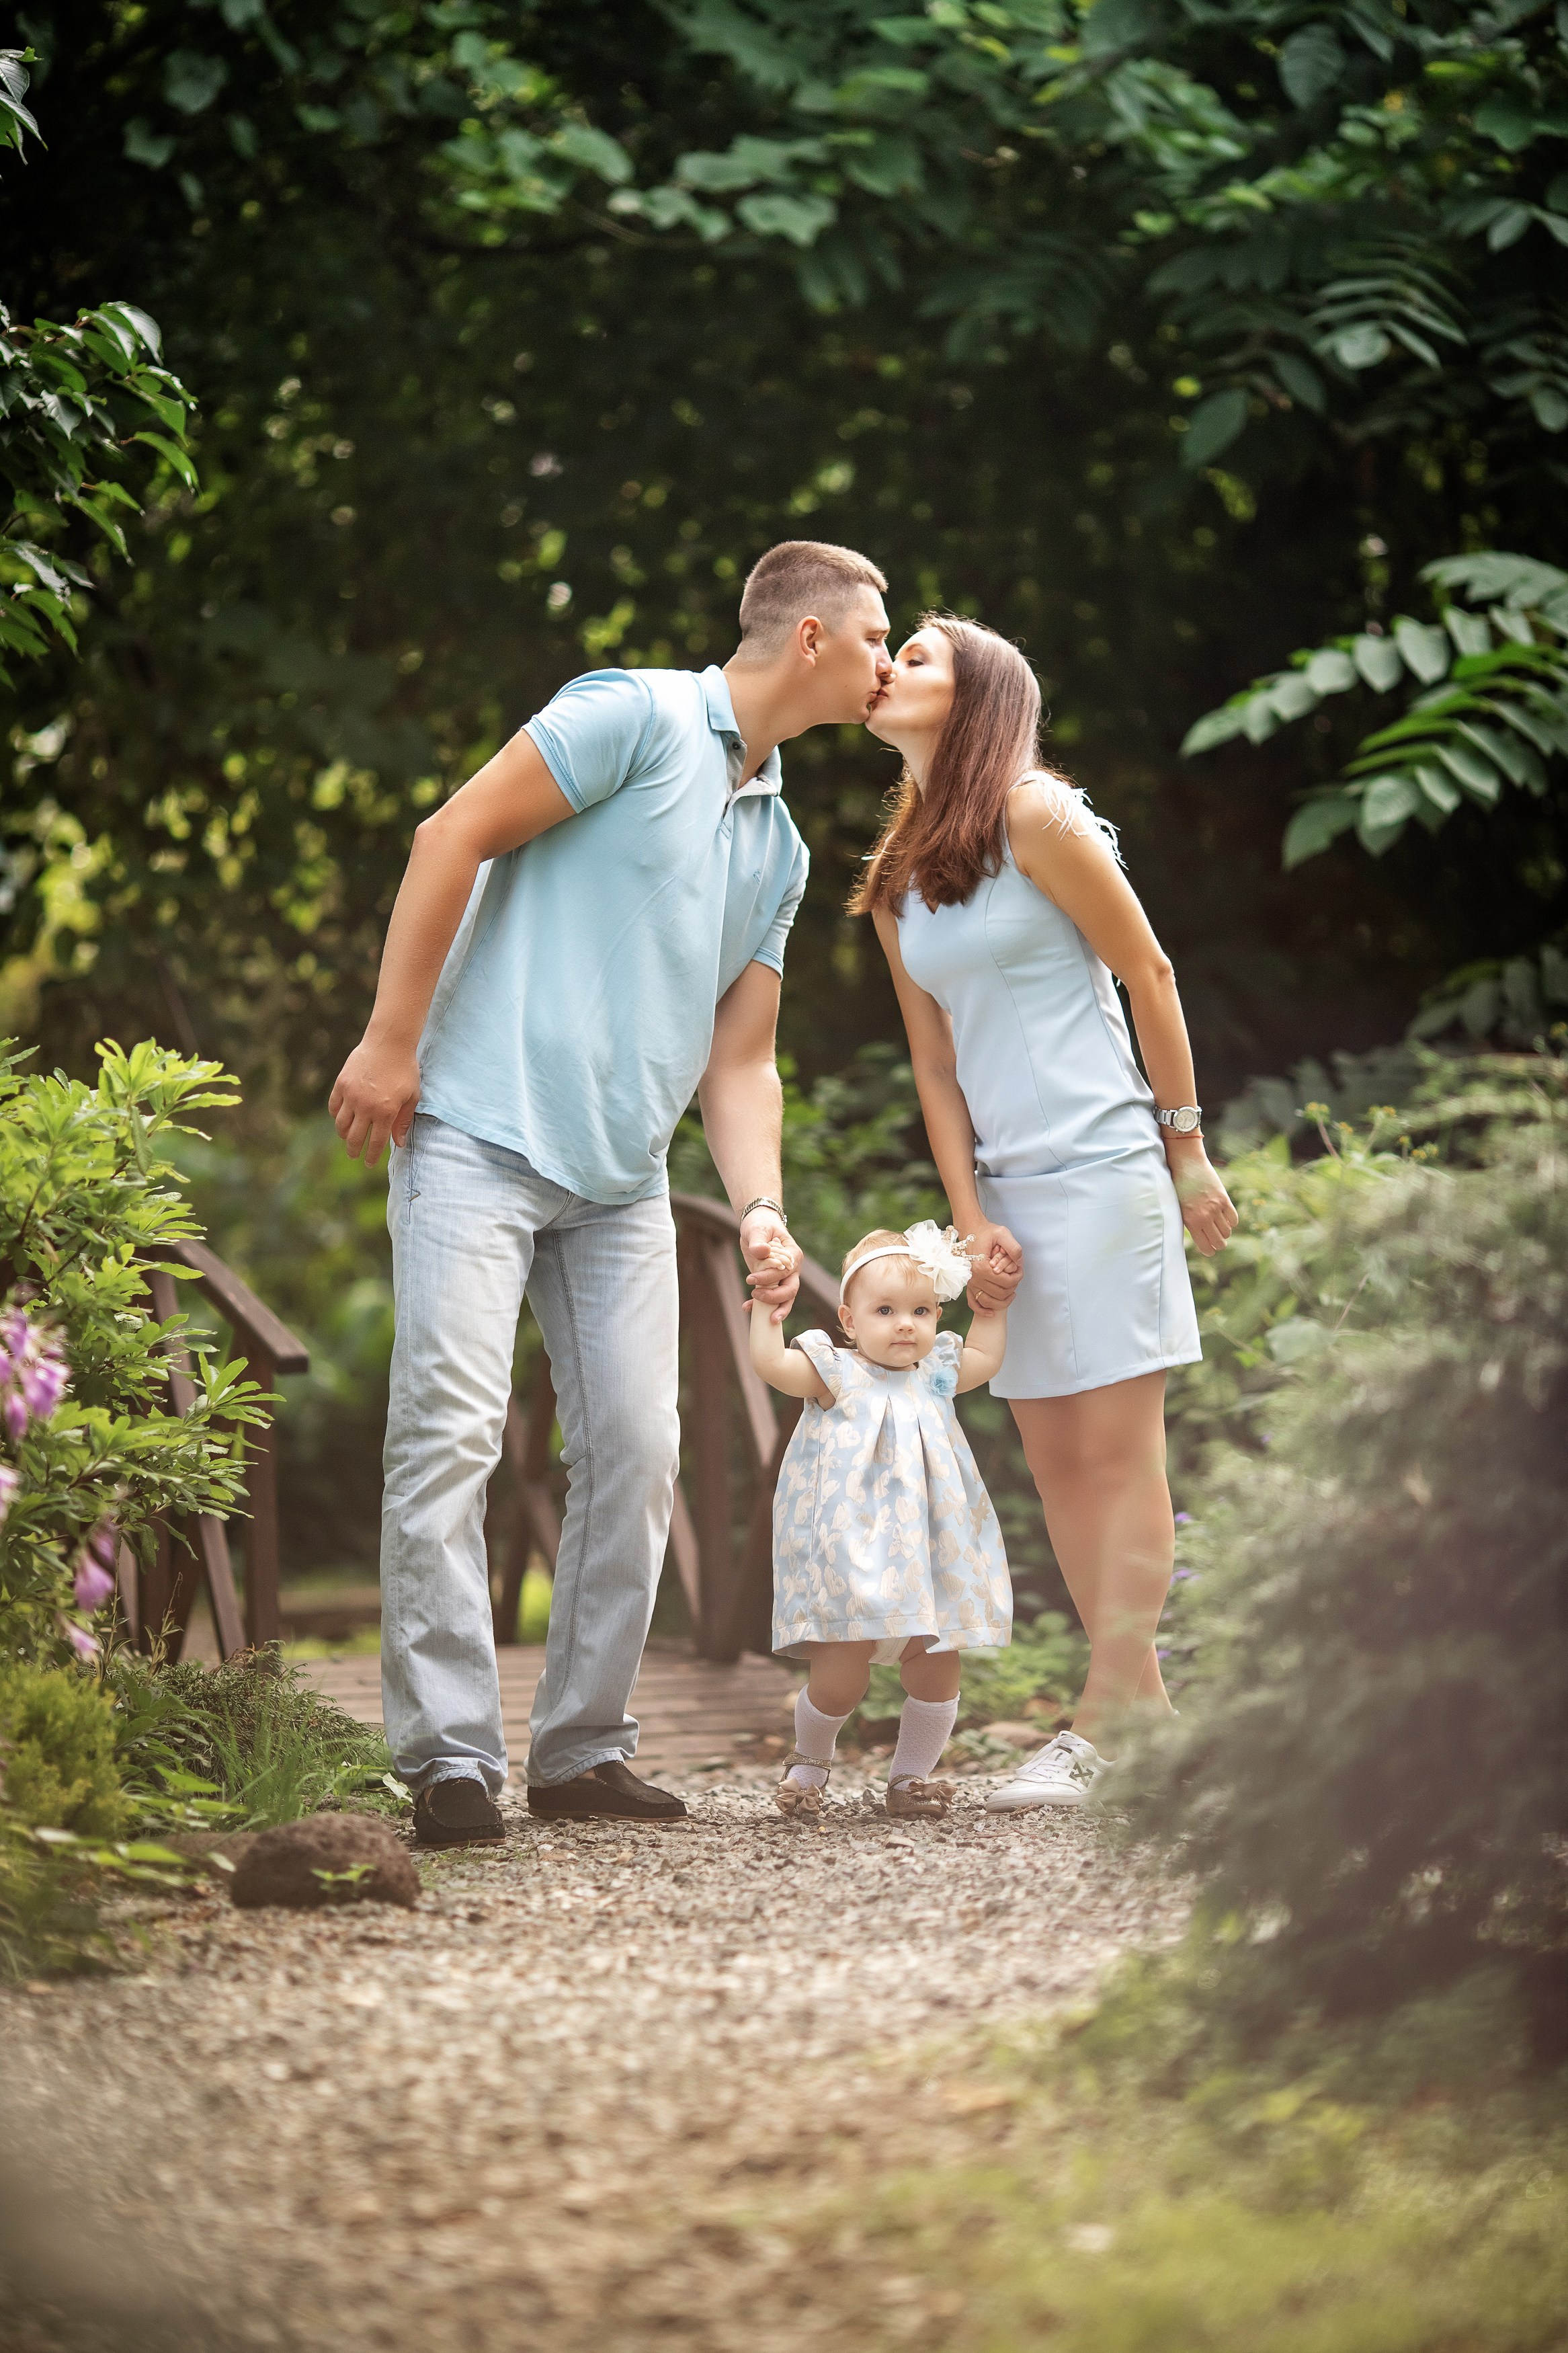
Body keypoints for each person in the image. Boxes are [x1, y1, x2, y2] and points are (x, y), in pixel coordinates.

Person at [329, 541, 894, 1847]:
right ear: (807, 638)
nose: (884, 661)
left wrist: (757, 1205)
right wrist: (390, 1042)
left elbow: (739, 1055)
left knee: (640, 1452)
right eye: (873, 637)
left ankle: (581, 1748)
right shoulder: (630, 714)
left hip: (620, 1182)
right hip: (473, 1131)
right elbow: (452, 832)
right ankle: (449, 1761)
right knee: (450, 1439)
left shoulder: (782, 844)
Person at [855, 614, 1237, 1813]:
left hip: (1111, 1171)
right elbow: (932, 1064)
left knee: (1120, 1456)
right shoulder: (892, 878)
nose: (888, 666)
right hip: (1009, 1196)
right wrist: (969, 1222)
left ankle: (1100, 1719)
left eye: (915, 655)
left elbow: (1150, 974)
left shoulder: (1039, 816)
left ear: (977, 698)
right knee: (1057, 1459)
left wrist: (1185, 1150)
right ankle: (1149, 1730)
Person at [749, 1219, 1012, 1820]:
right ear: (848, 1320)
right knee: (841, 1678)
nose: (904, 1324)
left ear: (936, 1320)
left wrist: (991, 1308)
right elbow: (771, 1366)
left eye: (921, 1311)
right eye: (886, 1310)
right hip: (852, 1559)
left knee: (938, 1667)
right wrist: (767, 1312)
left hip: (928, 1559)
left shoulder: (937, 1377)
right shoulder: (834, 1374)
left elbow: (987, 1357)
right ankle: (809, 1765)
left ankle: (910, 1780)